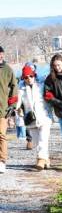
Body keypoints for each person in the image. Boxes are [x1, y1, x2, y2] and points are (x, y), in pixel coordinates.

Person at [16, 65, 52, 170]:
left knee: (43, 139)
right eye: (26, 77)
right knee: (36, 142)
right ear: (23, 78)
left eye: (31, 76)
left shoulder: (41, 85)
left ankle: (40, 159)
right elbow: (17, 104)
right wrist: (18, 109)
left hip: (44, 116)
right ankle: (46, 159)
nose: (29, 79)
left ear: (34, 75)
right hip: (30, 119)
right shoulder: (20, 89)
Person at [0, 45, 18, 174]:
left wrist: (12, 106)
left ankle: (2, 161)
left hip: (3, 109)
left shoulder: (8, 70)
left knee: (1, 135)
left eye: (1, 54)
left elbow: (14, 88)